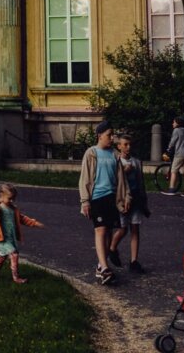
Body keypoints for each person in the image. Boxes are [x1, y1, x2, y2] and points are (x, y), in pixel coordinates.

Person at [78, 121, 130, 285]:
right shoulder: (91, 153)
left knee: (108, 232)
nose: (112, 138)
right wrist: (85, 201)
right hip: (97, 197)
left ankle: (101, 266)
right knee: (100, 230)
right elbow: (84, 179)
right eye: (109, 135)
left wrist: (126, 197)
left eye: (112, 134)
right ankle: (106, 269)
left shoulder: (115, 154)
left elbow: (122, 179)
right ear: (100, 136)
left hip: (112, 198)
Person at [0, 183, 44, 284]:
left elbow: (22, 218)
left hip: (11, 237)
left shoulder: (13, 208)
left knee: (3, 255)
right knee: (14, 254)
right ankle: (16, 278)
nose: (12, 201)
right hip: (1, 237)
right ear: (1, 195)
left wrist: (34, 223)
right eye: (9, 198)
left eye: (13, 198)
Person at [108, 133, 148, 274]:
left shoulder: (136, 162)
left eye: (129, 144)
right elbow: (114, 181)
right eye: (125, 144)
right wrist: (124, 172)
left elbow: (140, 182)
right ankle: (112, 248)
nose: (128, 147)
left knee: (135, 229)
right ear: (119, 146)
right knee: (123, 229)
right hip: (123, 200)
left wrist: (144, 201)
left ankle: (134, 261)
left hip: (136, 199)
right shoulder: (116, 161)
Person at [161, 117, 184, 195]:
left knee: (173, 170)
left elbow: (173, 141)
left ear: (177, 123)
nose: (172, 124)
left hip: (180, 153)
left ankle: (171, 189)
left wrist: (168, 149)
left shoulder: (176, 130)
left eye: (174, 122)